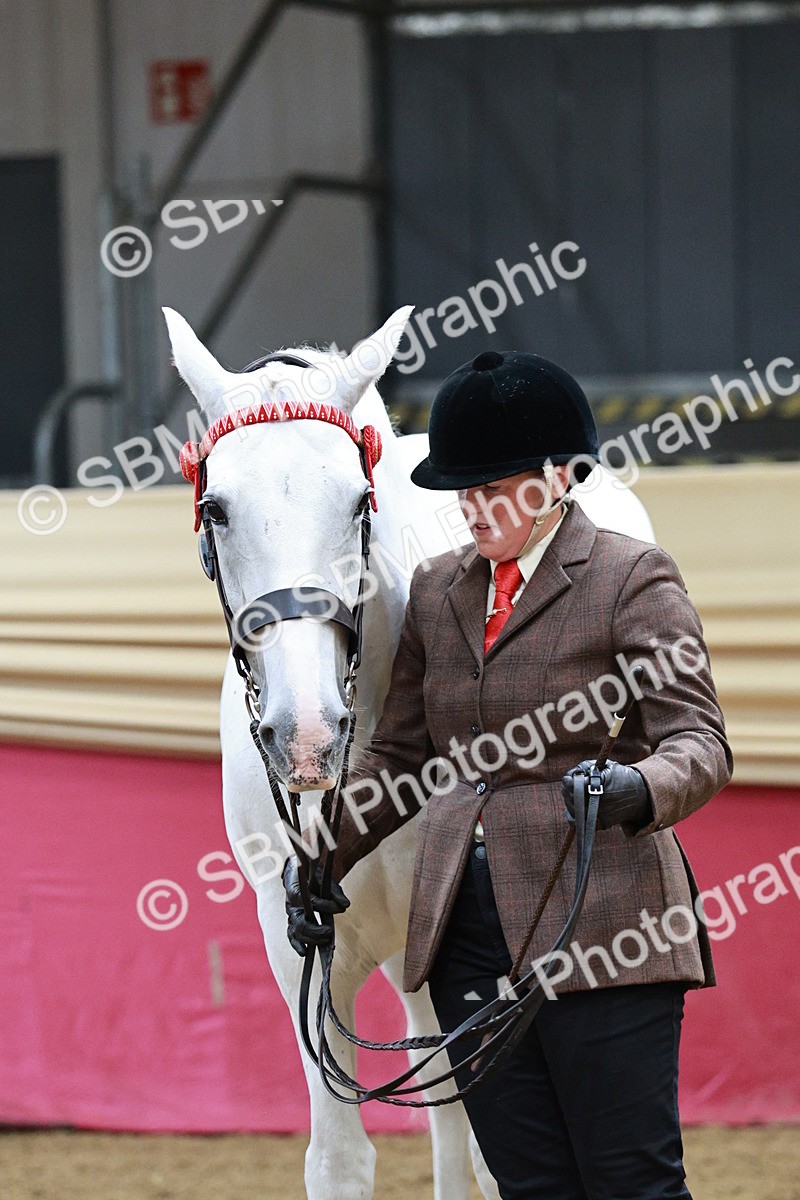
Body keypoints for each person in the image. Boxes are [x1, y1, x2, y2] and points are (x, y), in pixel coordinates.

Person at [283, 349, 733, 1200]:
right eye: (464, 488)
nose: (471, 506)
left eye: (494, 486)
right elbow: (405, 757)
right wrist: (323, 853)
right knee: (528, 1183)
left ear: (559, 478)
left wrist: (638, 787)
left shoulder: (632, 577)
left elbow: (699, 741)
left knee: (629, 1178)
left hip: (601, 916)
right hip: (466, 936)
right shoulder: (438, 590)